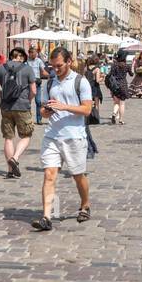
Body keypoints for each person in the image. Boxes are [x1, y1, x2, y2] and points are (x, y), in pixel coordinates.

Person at [31, 47, 94, 231]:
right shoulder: (50, 83)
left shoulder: (80, 82)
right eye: (52, 66)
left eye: (58, 66)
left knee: (78, 176)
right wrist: (46, 111)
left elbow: (87, 110)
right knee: (49, 174)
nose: (55, 69)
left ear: (69, 61)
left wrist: (64, 107)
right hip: (52, 135)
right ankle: (46, 217)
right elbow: (43, 112)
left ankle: (85, 204)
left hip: (74, 136)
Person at [0, 47, 36, 179]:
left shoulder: (1, 68)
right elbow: (33, 90)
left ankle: (10, 170)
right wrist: (27, 100)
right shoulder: (27, 69)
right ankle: (15, 158)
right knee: (26, 135)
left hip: (6, 107)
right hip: (22, 106)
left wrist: (3, 97)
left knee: (8, 138)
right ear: (21, 57)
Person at [107, 49, 131, 123]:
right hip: (123, 84)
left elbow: (110, 74)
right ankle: (121, 120)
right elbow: (131, 74)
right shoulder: (126, 66)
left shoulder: (114, 65)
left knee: (116, 102)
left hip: (115, 85)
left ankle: (114, 114)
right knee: (122, 103)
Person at [28, 47, 49, 125]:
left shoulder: (39, 61)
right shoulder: (26, 62)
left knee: (38, 102)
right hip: (29, 84)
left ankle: (39, 119)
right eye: (33, 53)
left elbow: (43, 72)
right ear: (29, 53)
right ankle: (28, 119)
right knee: (28, 102)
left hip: (37, 83)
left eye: (36, 53)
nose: (35, 55)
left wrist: (50, 75)